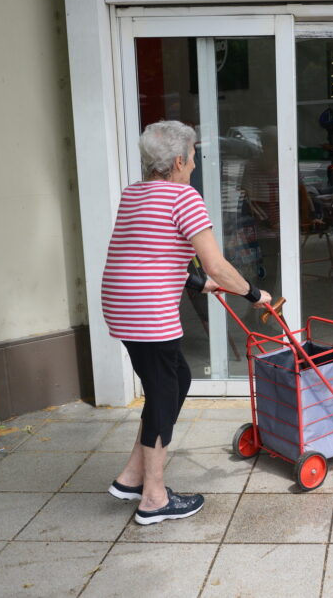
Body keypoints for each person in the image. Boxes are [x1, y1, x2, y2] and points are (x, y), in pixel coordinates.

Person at [102, 120, 271, 525]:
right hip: (148, 313)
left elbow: (150, 253)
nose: (194, 164)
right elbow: (217, 261)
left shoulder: (133, 194)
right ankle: (154, 499)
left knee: (176, 380)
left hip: (122, 305)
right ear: (178, 160)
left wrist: (199, 282)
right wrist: (252, 293)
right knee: (164, 393)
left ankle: (132, 476)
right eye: (193, 157)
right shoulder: (184, 198)